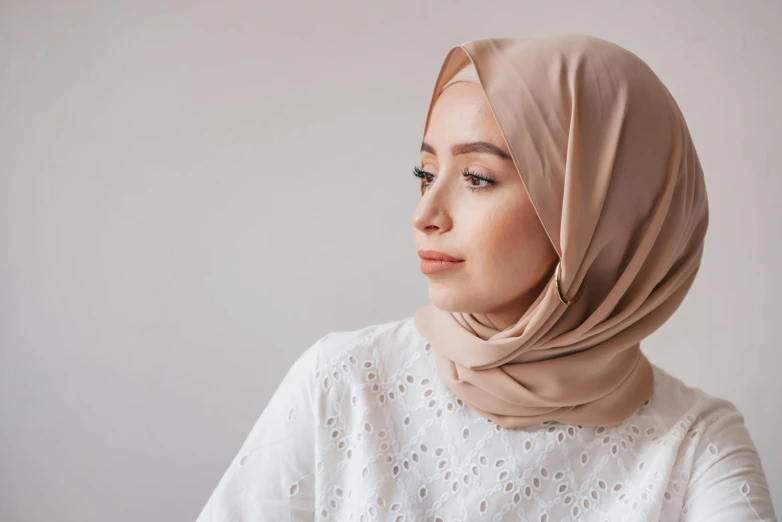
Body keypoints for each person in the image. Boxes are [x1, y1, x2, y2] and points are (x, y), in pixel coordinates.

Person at [195, 34, 777, 521]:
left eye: (476, 177)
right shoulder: (345, 384)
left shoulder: (696, 446)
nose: (424, 214)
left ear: (602, 211)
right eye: (425, 173)